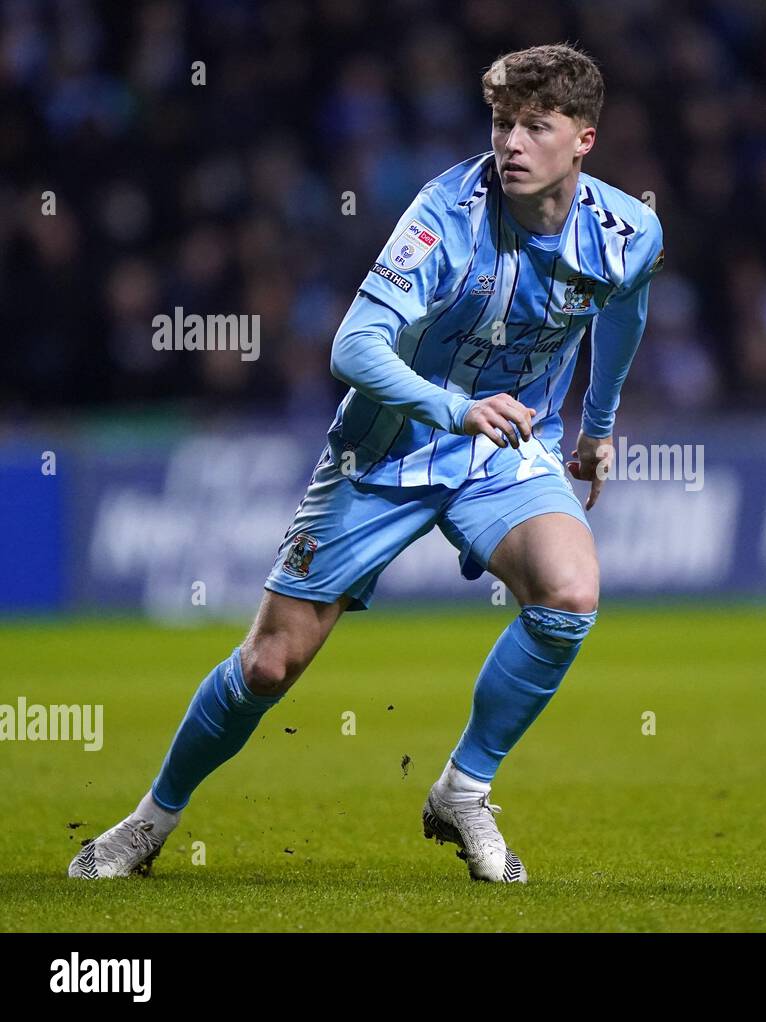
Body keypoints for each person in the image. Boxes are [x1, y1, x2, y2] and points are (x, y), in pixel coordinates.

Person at [70, 43, 664, 885]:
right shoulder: (444, 214)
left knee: (570, 592)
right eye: (502, 124)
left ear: (585, 142)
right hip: (389, 444)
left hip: (500, 450)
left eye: (537, 126)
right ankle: (148, 821)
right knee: (270, 664)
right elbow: (353, 346)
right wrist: (455, 408)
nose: (512, 144)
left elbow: (626, 310)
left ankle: (465, 788)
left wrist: (597, 426)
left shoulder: (626, 232)